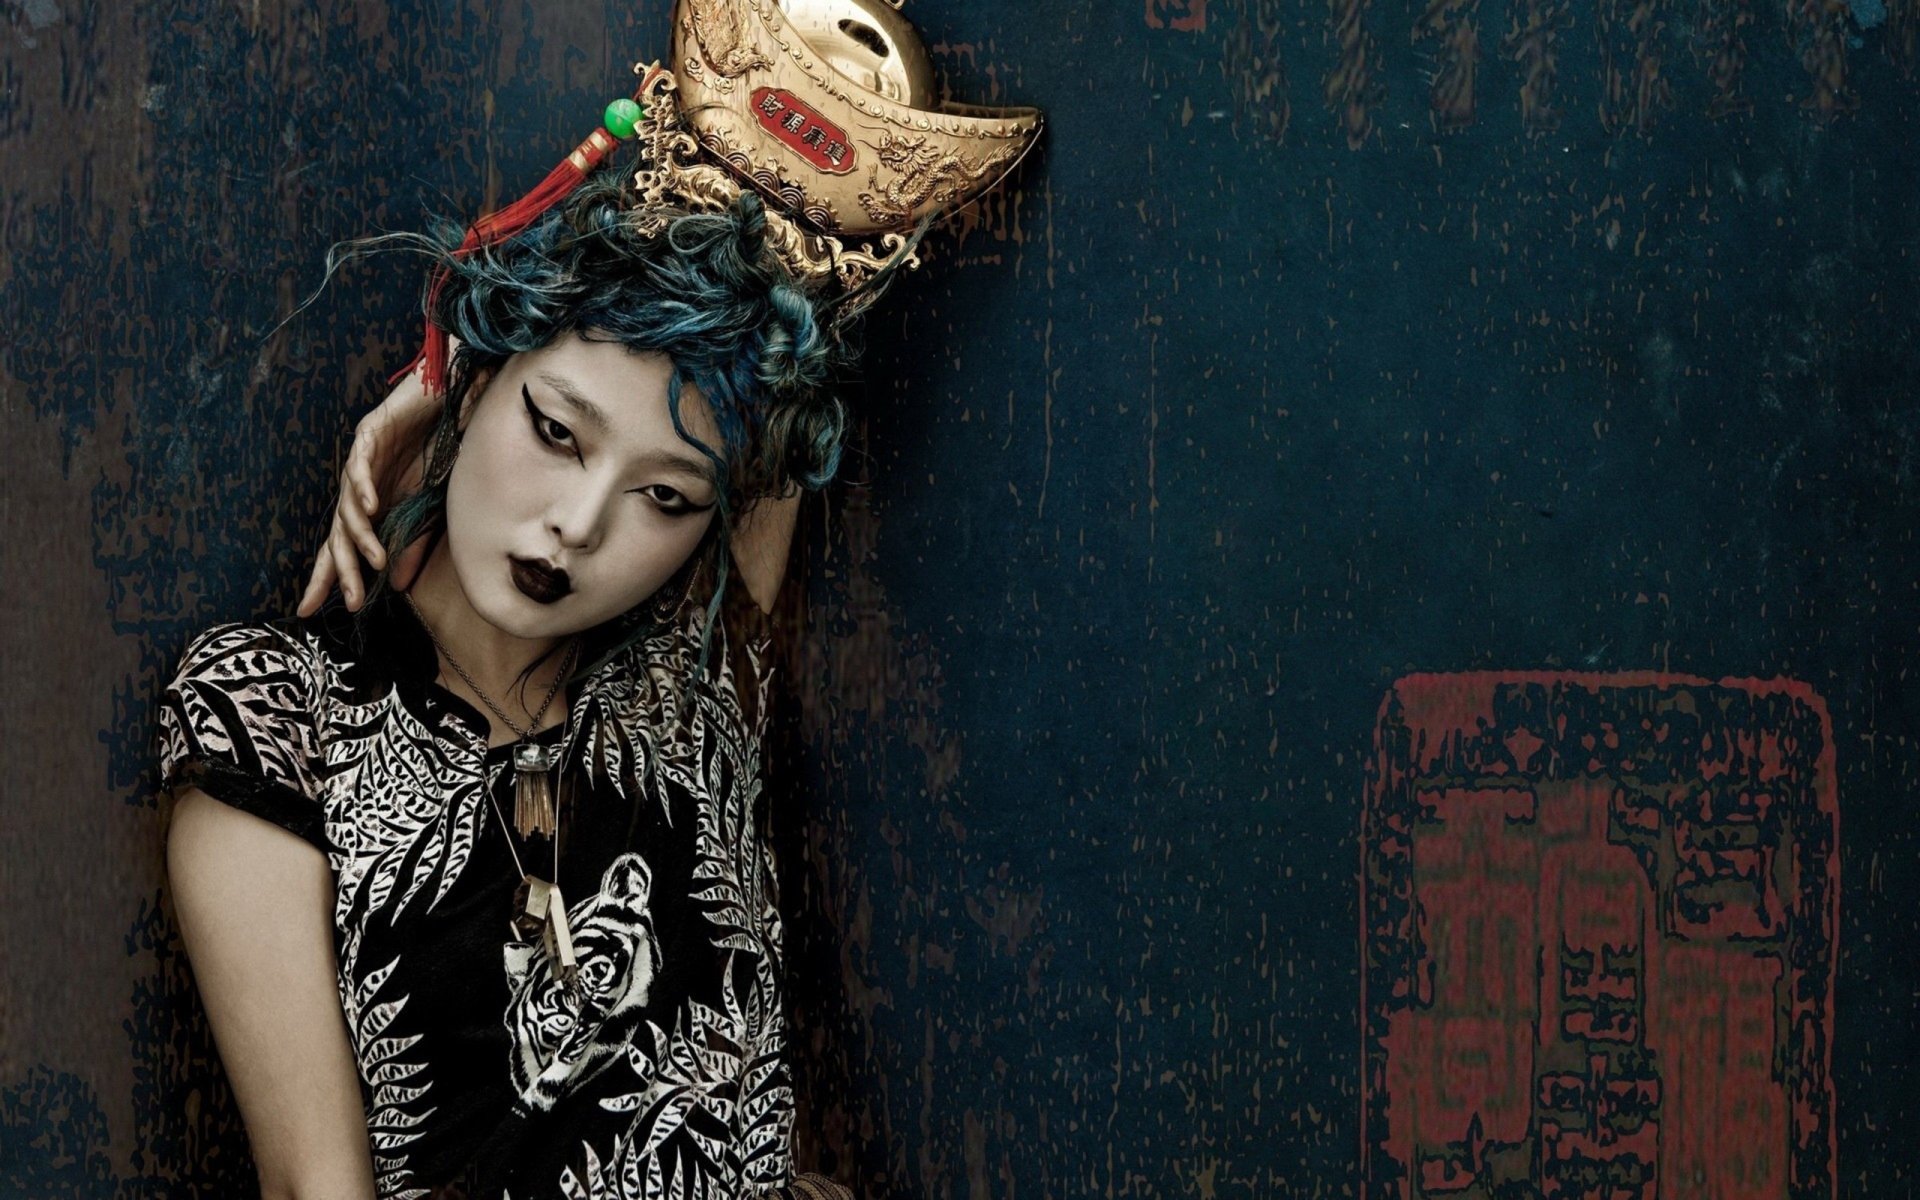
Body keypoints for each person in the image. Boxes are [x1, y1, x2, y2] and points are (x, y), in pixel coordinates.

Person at [153, 4, 1039, 1198]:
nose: (580, 525)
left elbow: (795, 338)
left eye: (664, 501)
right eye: (556, 432)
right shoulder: (275, 719)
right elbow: (318, 1185)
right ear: (493, 370)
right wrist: (445, 366)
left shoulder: (693, 670)